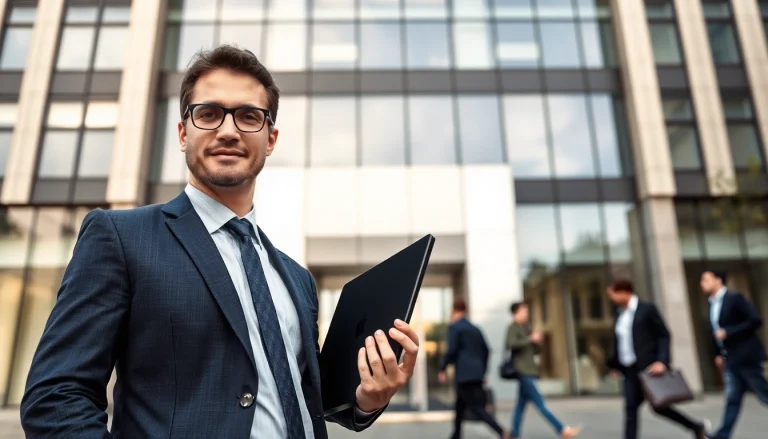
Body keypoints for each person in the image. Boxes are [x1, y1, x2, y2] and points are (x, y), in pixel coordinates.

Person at [20, 45, 419, 439]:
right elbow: (55, 398)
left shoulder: (297, 279)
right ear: (182, 132)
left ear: (271, 139)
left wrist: (368, 398)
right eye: (209, 114)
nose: (228, 131)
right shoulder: (121, 238)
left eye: (248, 116)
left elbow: (307, 400)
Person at [606, 279, 708, 439]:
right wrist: (614, 364)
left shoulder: (646, 309)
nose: (611, 298)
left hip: (649, 368)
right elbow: (620, 342)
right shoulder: (620, 314)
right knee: (630, 409)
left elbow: (664, 336)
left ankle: (696, 427)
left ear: (624, 292)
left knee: (659, 407)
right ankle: (696, 427)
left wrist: (662, 361)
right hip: (630, 370)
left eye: (613, 294)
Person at [700, 270, 768, 439]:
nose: (702, 283)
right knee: (732, 399)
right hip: (730, 358)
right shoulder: (711, 304)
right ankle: (722, 435)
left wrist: (729, 332)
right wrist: (718, 353)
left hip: (746, 357)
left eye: (706, 279)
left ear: (718, 280)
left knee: (764, 393)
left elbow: (755, 320)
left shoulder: (734, 298)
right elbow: (715, 332)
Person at [506, 302, 582, 439]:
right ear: (516, 313)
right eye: (524, 311)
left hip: (530, 370)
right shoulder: (513, 328)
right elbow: (511, 344)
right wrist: (529, 339)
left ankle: (514, 434)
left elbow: (534, 351)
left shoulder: (525, 328)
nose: (526, 314)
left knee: (520, 406)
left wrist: (537, 342)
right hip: (523, 371)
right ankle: (562, 429)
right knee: (540, 404)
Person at [438, 299, 510, 439]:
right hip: (476, 373)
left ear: (454, 311)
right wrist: (482, 371)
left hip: (464, 374)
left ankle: (502, 432)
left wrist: (443, 368)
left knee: (477, 408)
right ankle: (456, 435)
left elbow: (451, 350)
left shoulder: (455, 327)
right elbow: (486, 350)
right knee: (460, 406)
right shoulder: (475, 329)